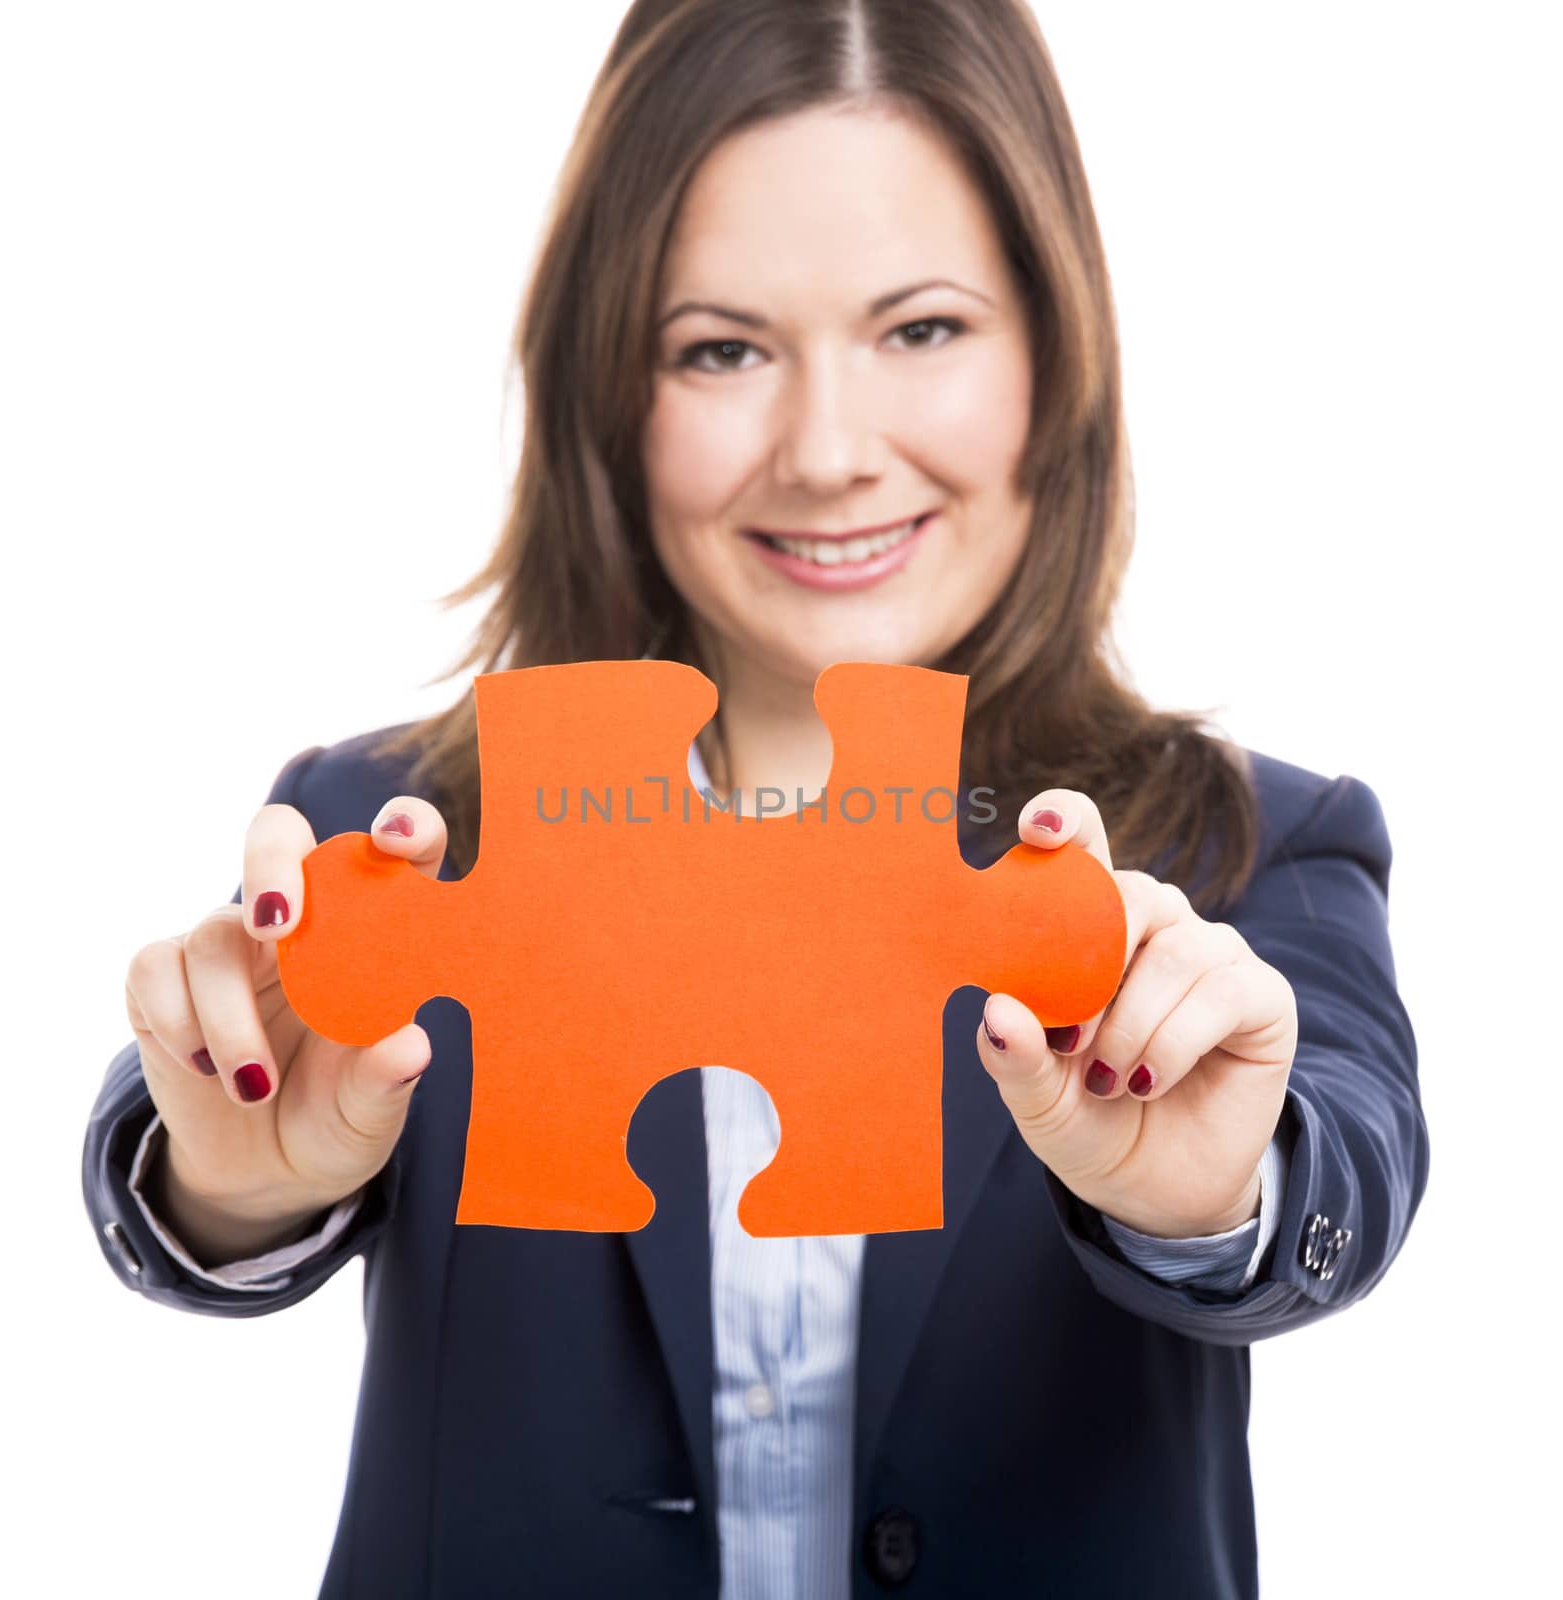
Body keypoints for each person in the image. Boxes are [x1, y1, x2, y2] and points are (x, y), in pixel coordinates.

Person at [82, 1, 1430, 1594]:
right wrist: (224, 1189)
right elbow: (187, 1150)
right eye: (721, 350)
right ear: (608, 392)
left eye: (921, 330)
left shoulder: (1241, 843)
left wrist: (1223, 1193)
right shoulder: (390, 825)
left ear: (1053, 359)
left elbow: (1349, 1164)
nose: (829, 450)